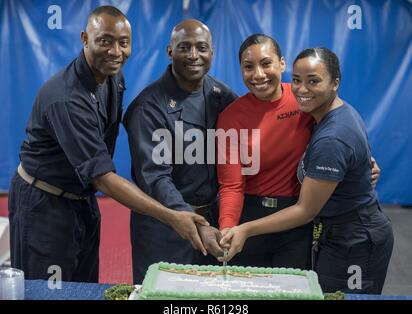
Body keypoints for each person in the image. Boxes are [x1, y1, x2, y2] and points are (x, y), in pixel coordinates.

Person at [8, 6, 209, 283]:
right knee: (49, 289)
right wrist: (171, 216)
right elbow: (103, 178)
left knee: (84, 285)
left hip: (83, 199)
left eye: (123, 43)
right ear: (84, 38)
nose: (115, 51)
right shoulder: (67, 99)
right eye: (105, 40)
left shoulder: (114, 76)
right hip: (45, 204)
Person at [220, 47, 393, 294]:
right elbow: (231, 184)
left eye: (313, 81)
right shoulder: (323, 114)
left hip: (353, 238)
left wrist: (246, 229)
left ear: (335, 83)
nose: (301, 90)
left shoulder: (331, 137)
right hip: (334, 233)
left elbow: (304, 210)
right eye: (298, 80)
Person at [123, 19, 238, 284]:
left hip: (214, 225)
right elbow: (155, 178)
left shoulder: (222, 96)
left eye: (201, 47)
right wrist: (198, 225)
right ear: (170, 51)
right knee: (165, 294)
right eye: (184, 47)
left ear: (212, 51)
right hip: (165, 226)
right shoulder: (148, 107)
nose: (194, 55)